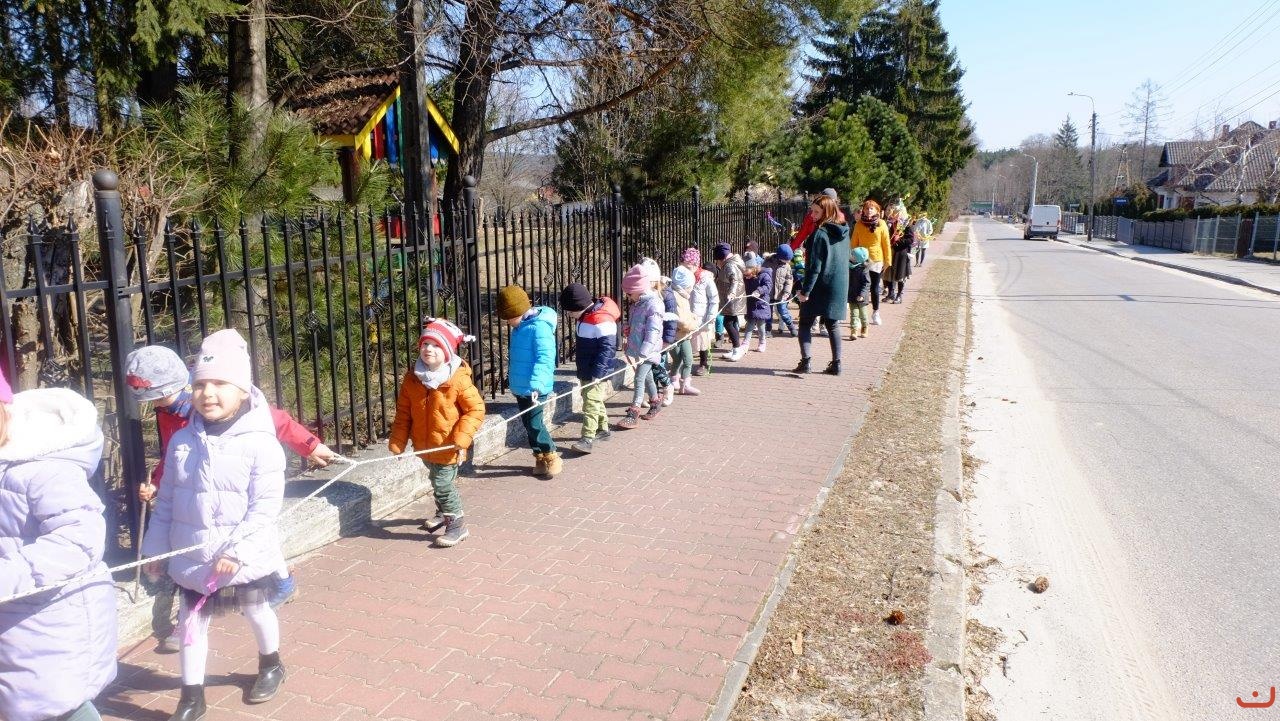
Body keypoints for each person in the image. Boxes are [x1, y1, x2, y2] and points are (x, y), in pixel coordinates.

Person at [125, 345, 334, 622]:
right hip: (202, 486)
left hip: (236, 481)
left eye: (159, 397)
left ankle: (282, 582)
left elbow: (278, 421)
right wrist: (157, 483)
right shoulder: (168, 412)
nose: (155, 405)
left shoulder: (214, 399)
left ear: (173, 387)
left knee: (257, 532)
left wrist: (310, 445)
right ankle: (202, 600)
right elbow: (175, 454)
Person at [142, 329, 290, 720]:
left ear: (243, 390)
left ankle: (271, 663)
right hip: (194, 558)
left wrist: (238, 551)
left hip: (241, 558)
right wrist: (155, 549)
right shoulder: (182, 442)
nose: (208, 393)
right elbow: (167, 501)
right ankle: (191, 696)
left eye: (220, 384)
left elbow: (265, 508)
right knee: (191, 624)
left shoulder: (260, 443)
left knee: (256, 611)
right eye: (200, 384)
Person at [0, 371, 117, 721]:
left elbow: (79, 538)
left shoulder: (44, 469)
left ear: (5, 408)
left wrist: (7, 575)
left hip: (48, 621)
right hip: (13, 620)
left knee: (57, 704)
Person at [388, 318, 485, 547]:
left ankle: (457, 525)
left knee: (443, 485)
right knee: (435, 480)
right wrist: (398, 441)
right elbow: (404, 413)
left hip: (449, 446)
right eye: (425, 344)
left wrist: (462, 437)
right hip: (424, 446)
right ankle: (442, 513)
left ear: (448, 351)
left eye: (436, 345)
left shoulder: (457, 380)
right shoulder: (412, 379)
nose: (429, 349)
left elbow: (476, 409)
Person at [496, 285, 562, 478]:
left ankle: (551, 454)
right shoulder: (520, 327)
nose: (508, 322)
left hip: (535, 388)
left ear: (519, 311)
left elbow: (545, 358)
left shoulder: (539, 328)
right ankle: (539, 457)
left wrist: (537, 384)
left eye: (510, 318)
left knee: (535, 424)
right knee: (528, 424)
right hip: (522, 386)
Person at [793, 196, 850, 376]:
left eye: (816, 212)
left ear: (827, 212)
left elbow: (814, 267)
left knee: (805, 322)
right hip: (838, 284)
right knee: (833, 324)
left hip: (819, 285)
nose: (812, 215)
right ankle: (837, 364)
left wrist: (805, 291)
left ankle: (806, 362)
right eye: (812, 211)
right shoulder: (844, 231)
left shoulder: (820, 234)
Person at [559, 283, 619, 454]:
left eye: (570, 311)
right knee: (591, 398)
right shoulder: (584, 317)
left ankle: (587, 438)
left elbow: (607, 349)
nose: (569, 315)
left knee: (590, 403)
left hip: (596, 372)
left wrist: (598, 373)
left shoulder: (601, 321)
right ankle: (603, 429)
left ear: (578, 306)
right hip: (586, 368)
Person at [618, 262, 664, 428]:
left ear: (639, 289)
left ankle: (634, 411)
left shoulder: (654, 304)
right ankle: (655, 402)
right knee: (648, 377)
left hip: (648, 351)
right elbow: (635, 323)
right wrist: (627, 328)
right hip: (639, 348)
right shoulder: (636, 304)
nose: (628, 297)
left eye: (630, 293)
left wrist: (644, 352)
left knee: (639, 378)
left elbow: (653, 332)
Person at [852, 199, 892, 326]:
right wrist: (852, 258)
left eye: (871, 208)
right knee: (860, 288)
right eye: (867, 208)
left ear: (877, 211)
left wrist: (888, 260)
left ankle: (875, 312)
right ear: (863, 210)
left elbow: (886, 243)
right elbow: (854, 243)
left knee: (874, 287)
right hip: (861, 260)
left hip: (876, 260)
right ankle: (859, 316)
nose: (869, 210)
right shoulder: (859, 224)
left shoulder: (882, 224)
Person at [681, 248, 719, 377]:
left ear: (695, 265)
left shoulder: (705, 278)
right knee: (685, 339)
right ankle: (685, 363)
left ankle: (703, 363)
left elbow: (714, 298)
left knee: (702, 341)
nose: (686, 269)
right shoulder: (683, 277)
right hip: (687, 314)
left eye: (688, 266)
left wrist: (711, 316)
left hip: (702, 316)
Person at [668, 266, 701, 396]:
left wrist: (693, 317)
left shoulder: (683, 296)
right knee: (677, 359)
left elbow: (686, 314)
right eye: (689, 286)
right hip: (675, 335)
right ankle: (673, 379)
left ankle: (685, 385)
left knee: (688, 360)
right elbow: (681, 321)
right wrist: (694, 324)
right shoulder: (675, 297)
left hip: (684, 335)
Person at [712, 242, 747, 362]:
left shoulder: (729, 265)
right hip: (734, 299)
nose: (717, 263)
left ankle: (737, 349)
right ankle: (735, 348)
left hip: (732, 299)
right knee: (732, 322)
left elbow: (734, 280)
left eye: (717, 260)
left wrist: (731, 293)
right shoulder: (731, 263)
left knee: (728, 323)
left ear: (721, 258)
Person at [743, 254, 773, 352]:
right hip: (751, 303)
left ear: (753, 269)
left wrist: (759, 291)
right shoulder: (746, 277)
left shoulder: (764, 275)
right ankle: (745, 343)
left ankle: (762, 342)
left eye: (747, 272)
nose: (746, 275)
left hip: (761, 304)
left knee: (761, 325)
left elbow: (768, 286)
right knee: (750, 323)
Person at [764, 244, 796, 338]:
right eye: (786, 259)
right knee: (768, 313)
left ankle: (791, 327)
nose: (788, 261)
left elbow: (789, 280)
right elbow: (762, 275)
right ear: (780, 257)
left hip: (781, 294)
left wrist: (787, 292)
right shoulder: (767, 263)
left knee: (783, 311)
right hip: (769, 293)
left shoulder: (787, 266)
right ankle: (768, 329)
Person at [888, 214, 915, 303]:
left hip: (902, 254)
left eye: (900, 216)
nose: (898, 217)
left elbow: (911, 240)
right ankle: (891, 294)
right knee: (891, 274)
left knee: (901, 275)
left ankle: (899, 296)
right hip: (892, 252)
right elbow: (889, 236)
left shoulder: (908, 226)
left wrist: (899, 240)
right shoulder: (894, 225)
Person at [848, 246, 871, 340]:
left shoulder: (864, 270)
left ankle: (865, 328)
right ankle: (853, 331)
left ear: (858, 259)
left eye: (852, 255)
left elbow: (867, 283)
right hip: (852, 295)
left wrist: (862, 295)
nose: (850, 256)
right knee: (854, 314)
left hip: (862, 298)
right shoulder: (849, 266)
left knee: (863, 315)